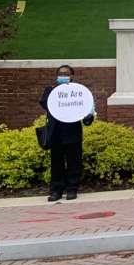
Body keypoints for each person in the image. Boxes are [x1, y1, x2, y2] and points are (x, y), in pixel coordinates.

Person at [39, 65, 95, 202]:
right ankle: (56, 191)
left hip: (72, 132)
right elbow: (45, 103)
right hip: (56, 133)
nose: (63, 75)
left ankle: (72, 189)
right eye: (61, 73)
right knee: (56, 163)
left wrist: (88, 116)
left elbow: (86, 110)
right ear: (57, 76)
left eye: (66, 73)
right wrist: (59, 93)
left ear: (72, 76)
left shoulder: (79, 92)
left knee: (74, 162)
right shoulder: (50, 91)